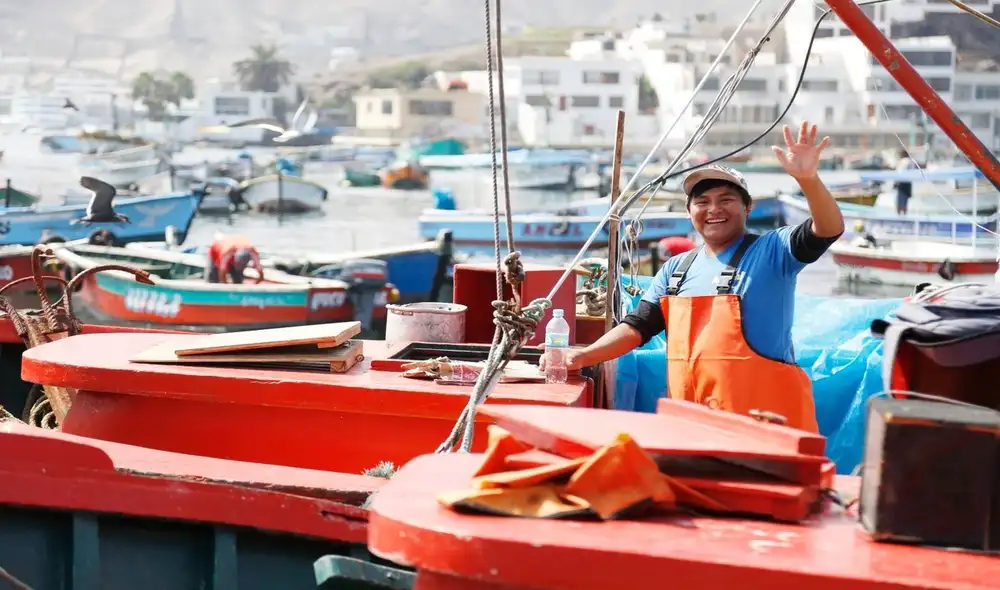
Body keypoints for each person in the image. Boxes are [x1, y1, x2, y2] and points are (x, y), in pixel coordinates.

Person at [543, 122, 845, 433]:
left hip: (764, 429)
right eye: (702, 202)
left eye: (726, 199)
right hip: (690, 428)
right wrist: (582, 355)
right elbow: (637, 327)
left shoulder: (773, 251)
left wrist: (808, 180)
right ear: (690, 212)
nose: (713, 209)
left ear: (748, 207)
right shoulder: (676, 269)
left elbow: (827, 229)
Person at [894, 148, 917, 215]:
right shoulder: (911, 161)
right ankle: (904, 215)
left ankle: (899, 216)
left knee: (899, 202)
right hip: (908, 183)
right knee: (905, 202)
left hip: (902, 183)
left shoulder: (903, 161)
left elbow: (899, 173)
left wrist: (895, 182)